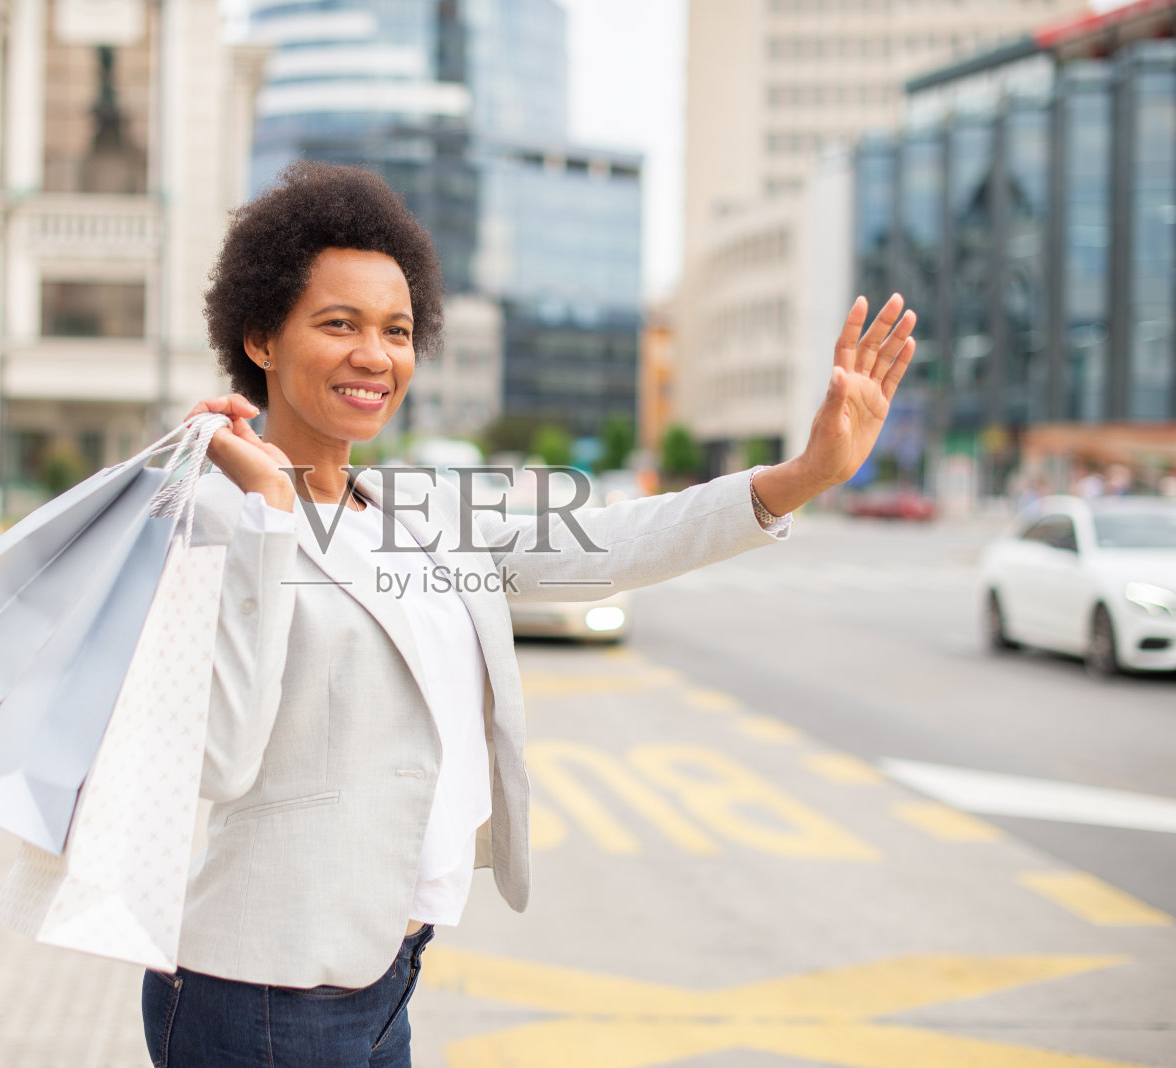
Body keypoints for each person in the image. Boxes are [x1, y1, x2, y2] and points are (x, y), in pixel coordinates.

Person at [142, 162, 916, 1067]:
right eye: (338, 324)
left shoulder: (414, 512)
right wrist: (271, 514)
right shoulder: (209, 519)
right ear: (262, 338)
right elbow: (220, 757)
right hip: (262, 990)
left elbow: (609, 543)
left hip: (383, 973)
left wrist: (803, 476)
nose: (375, 355)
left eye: (396, 330)